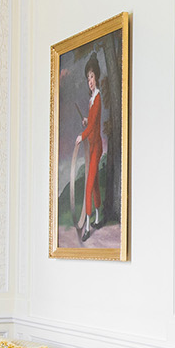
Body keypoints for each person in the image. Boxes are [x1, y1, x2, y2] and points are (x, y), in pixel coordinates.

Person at [75, 55, 105, 242]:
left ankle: (87, 227)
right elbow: (91, 120)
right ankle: (98, 218)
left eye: (92, 77)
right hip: (92, 146)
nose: (90, 82)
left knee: (88, 185)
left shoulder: (99, 97)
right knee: (93, 184)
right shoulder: (92, 99)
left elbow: (94, 126)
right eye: (88, 79)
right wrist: (86, 121)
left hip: (95, 147)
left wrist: (82, 135)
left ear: (97, 77)